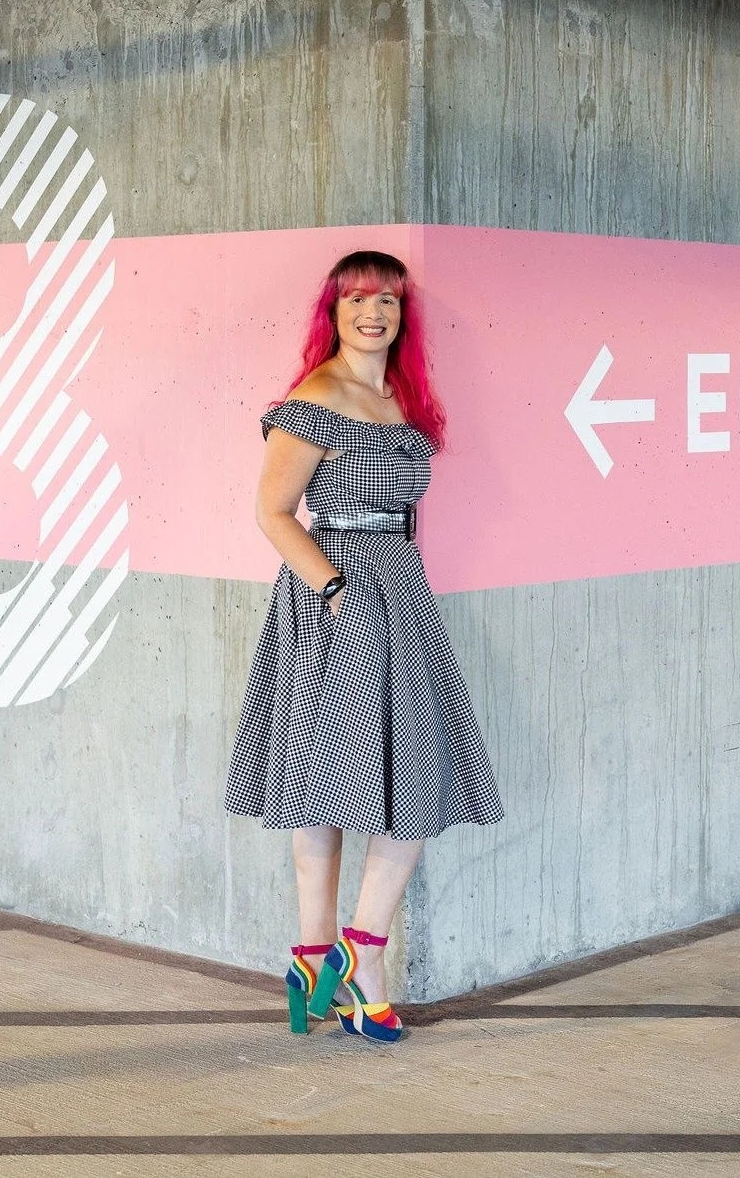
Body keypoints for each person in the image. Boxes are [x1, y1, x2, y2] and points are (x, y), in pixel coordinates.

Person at [225, 249, 503, 1043]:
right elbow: (273, 511)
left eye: (385, 298)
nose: (371, 312)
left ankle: (321, 957)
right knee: (336, 784)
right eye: (355, 300)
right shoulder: (314, 399)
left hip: (401, 592)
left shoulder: (400, 399)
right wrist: (334, 590)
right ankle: (357, 963)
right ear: (334, 312)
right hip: (339, 598)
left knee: (396, 779)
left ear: (401, 314)